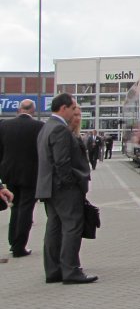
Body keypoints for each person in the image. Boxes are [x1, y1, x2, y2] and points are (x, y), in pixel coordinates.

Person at [36, 93, 97, 284]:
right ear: (63, 108)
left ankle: (54, 270)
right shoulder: (60, 130)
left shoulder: (46, 127)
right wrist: (71, 184)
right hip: (63, 189)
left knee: (53, 228)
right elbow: (62, 162)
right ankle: (71, 271)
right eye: (73, 109)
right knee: (72, 227)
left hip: (49, 188)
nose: (74, 113)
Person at [0, 99, 44, 257]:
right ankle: (19, 246)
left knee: (15, 207)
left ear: (18, 110)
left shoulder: (4, 125)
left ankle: (13, 241)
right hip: (30, 174)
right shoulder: (39, 127)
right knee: (26, 208)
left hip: (9, 174)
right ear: (33, 111)